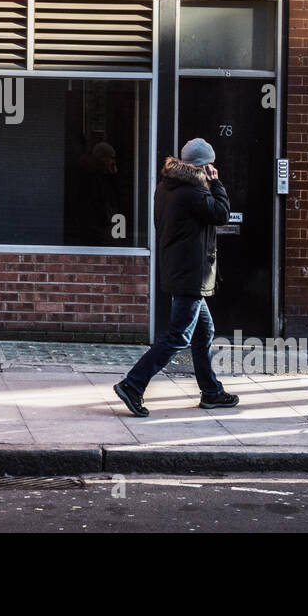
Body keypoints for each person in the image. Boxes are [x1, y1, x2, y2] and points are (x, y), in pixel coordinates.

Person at [113, 138, 239, 416]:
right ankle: (133, 385)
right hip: (190, 275)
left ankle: (212, 392)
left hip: (180, 270)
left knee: (204, 332)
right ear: (203, 166)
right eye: (210, 165)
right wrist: (216, 184)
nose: (213, 169)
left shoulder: (167, 187)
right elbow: (221, 214)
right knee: (179, 337)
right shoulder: (193, 192)